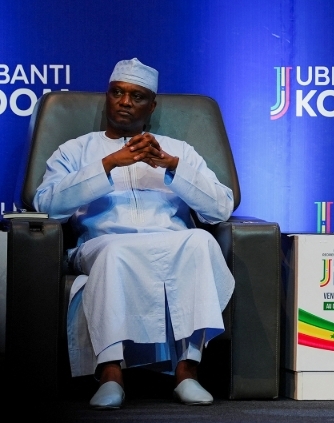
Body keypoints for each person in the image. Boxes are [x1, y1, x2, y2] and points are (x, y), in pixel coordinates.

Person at [34, 58, 235, 410]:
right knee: (116, 251)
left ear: (151, 106)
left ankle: (187, 373)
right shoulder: (76, 151)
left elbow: (220, 209)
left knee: (201, 240)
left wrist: (173, 167)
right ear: (108, 97)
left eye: (137, 96)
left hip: (171, 243)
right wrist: (109, 164)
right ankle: (111, 376)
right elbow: (48, 205)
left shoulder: (180, 151)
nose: (125, 102)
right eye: (118, 93)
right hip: (100, 244)